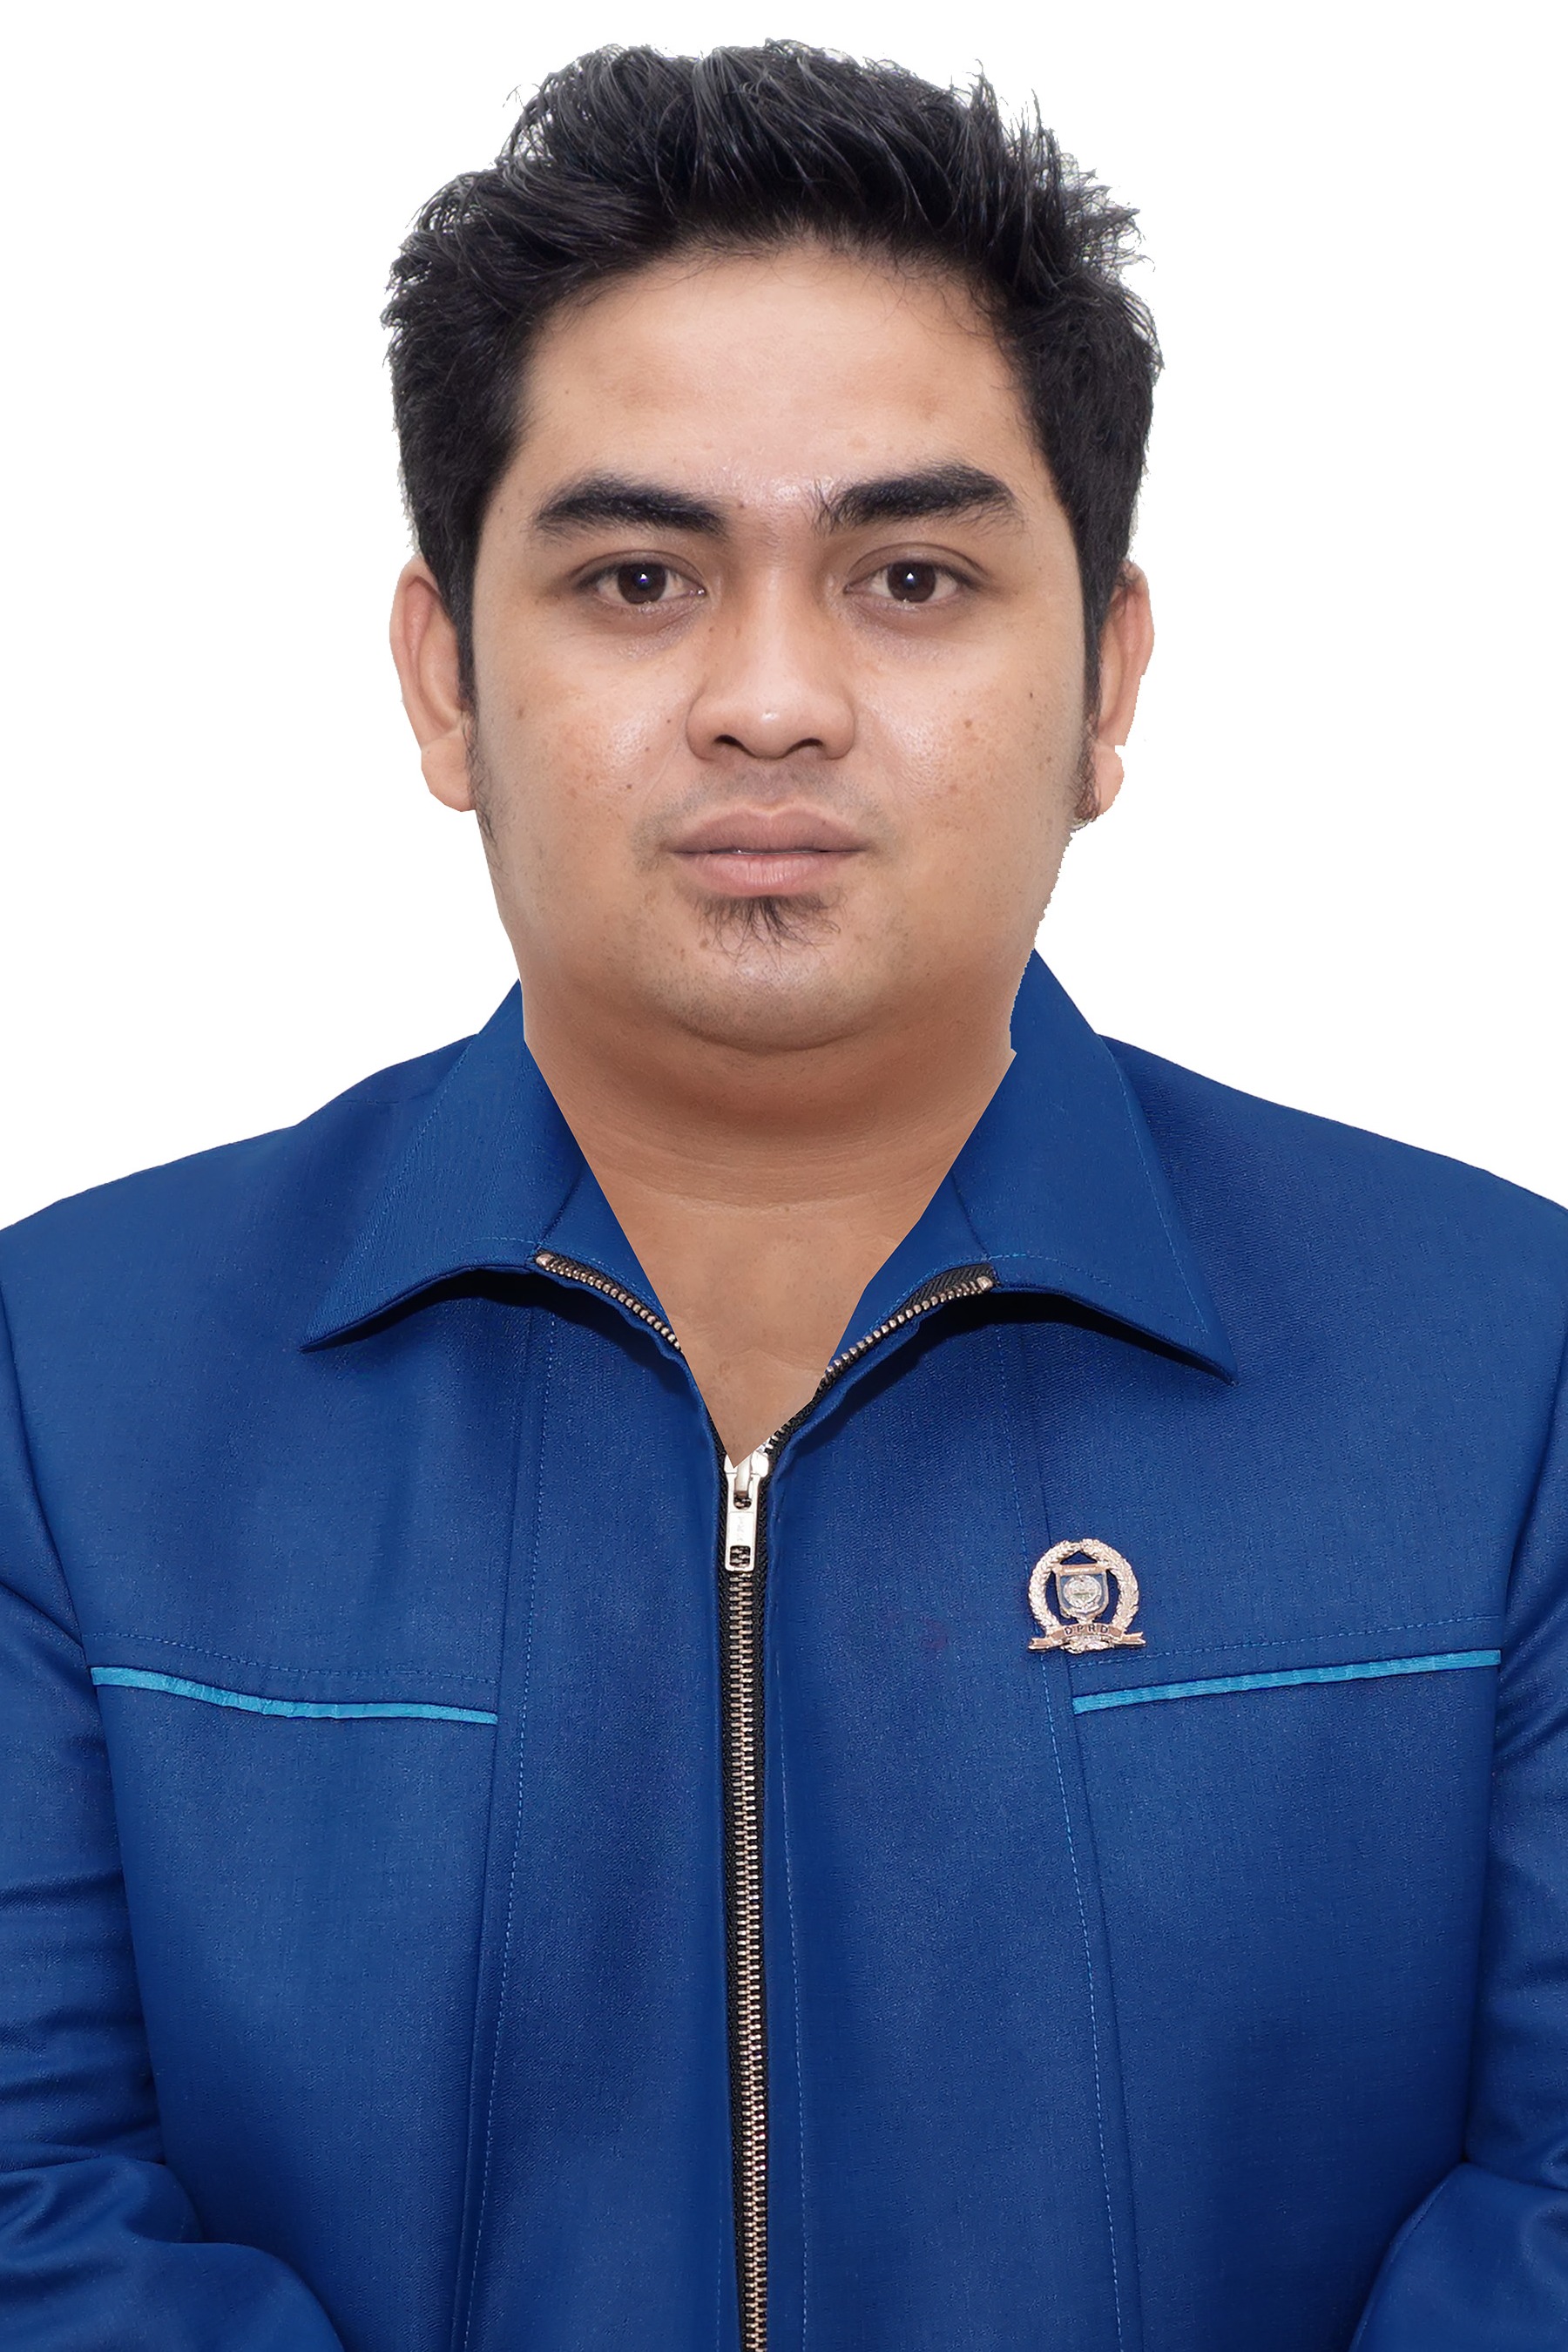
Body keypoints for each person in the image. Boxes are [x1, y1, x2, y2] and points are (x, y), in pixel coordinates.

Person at [1, 39, 1564, 2352]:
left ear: (1106, 681)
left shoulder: (1508, 1371)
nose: (769, 697)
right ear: (445, 683)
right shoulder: (68, 1387)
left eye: (911, 575)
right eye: (637, 576)